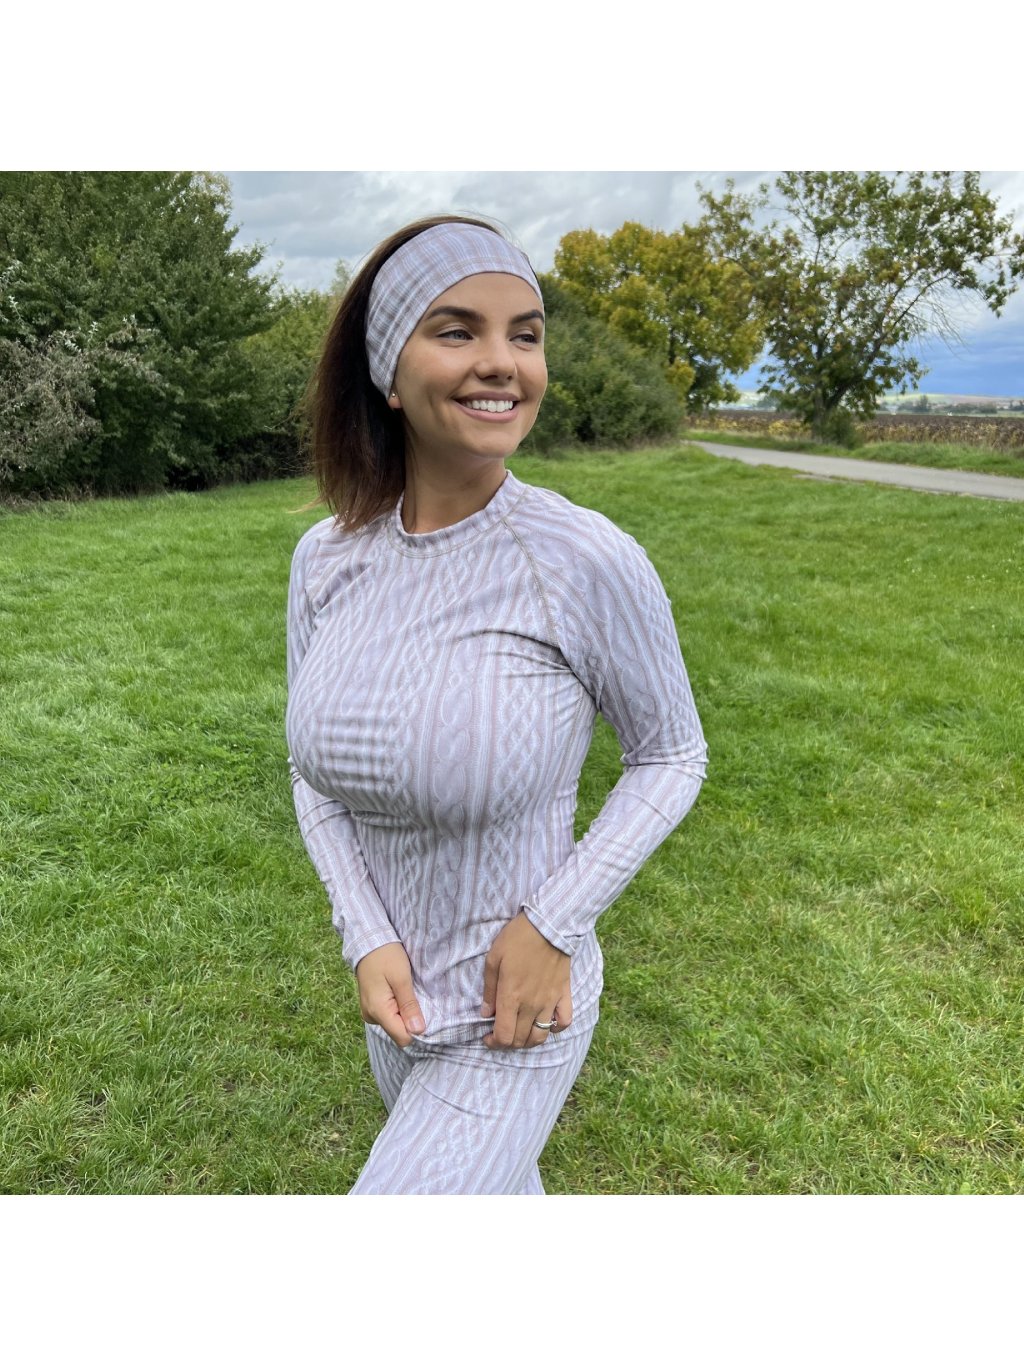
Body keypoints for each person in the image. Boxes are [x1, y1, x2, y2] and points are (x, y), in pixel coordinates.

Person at [285, 214, 708, 1194]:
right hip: (397, 1017)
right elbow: (313, 776)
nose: (502, 361)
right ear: (389, 374)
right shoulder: (325, 560)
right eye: (456, 329)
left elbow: (671, 754)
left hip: (517, 1020)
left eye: (525, 333)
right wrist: (364, 933)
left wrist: (553, 923)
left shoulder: (582, 558)